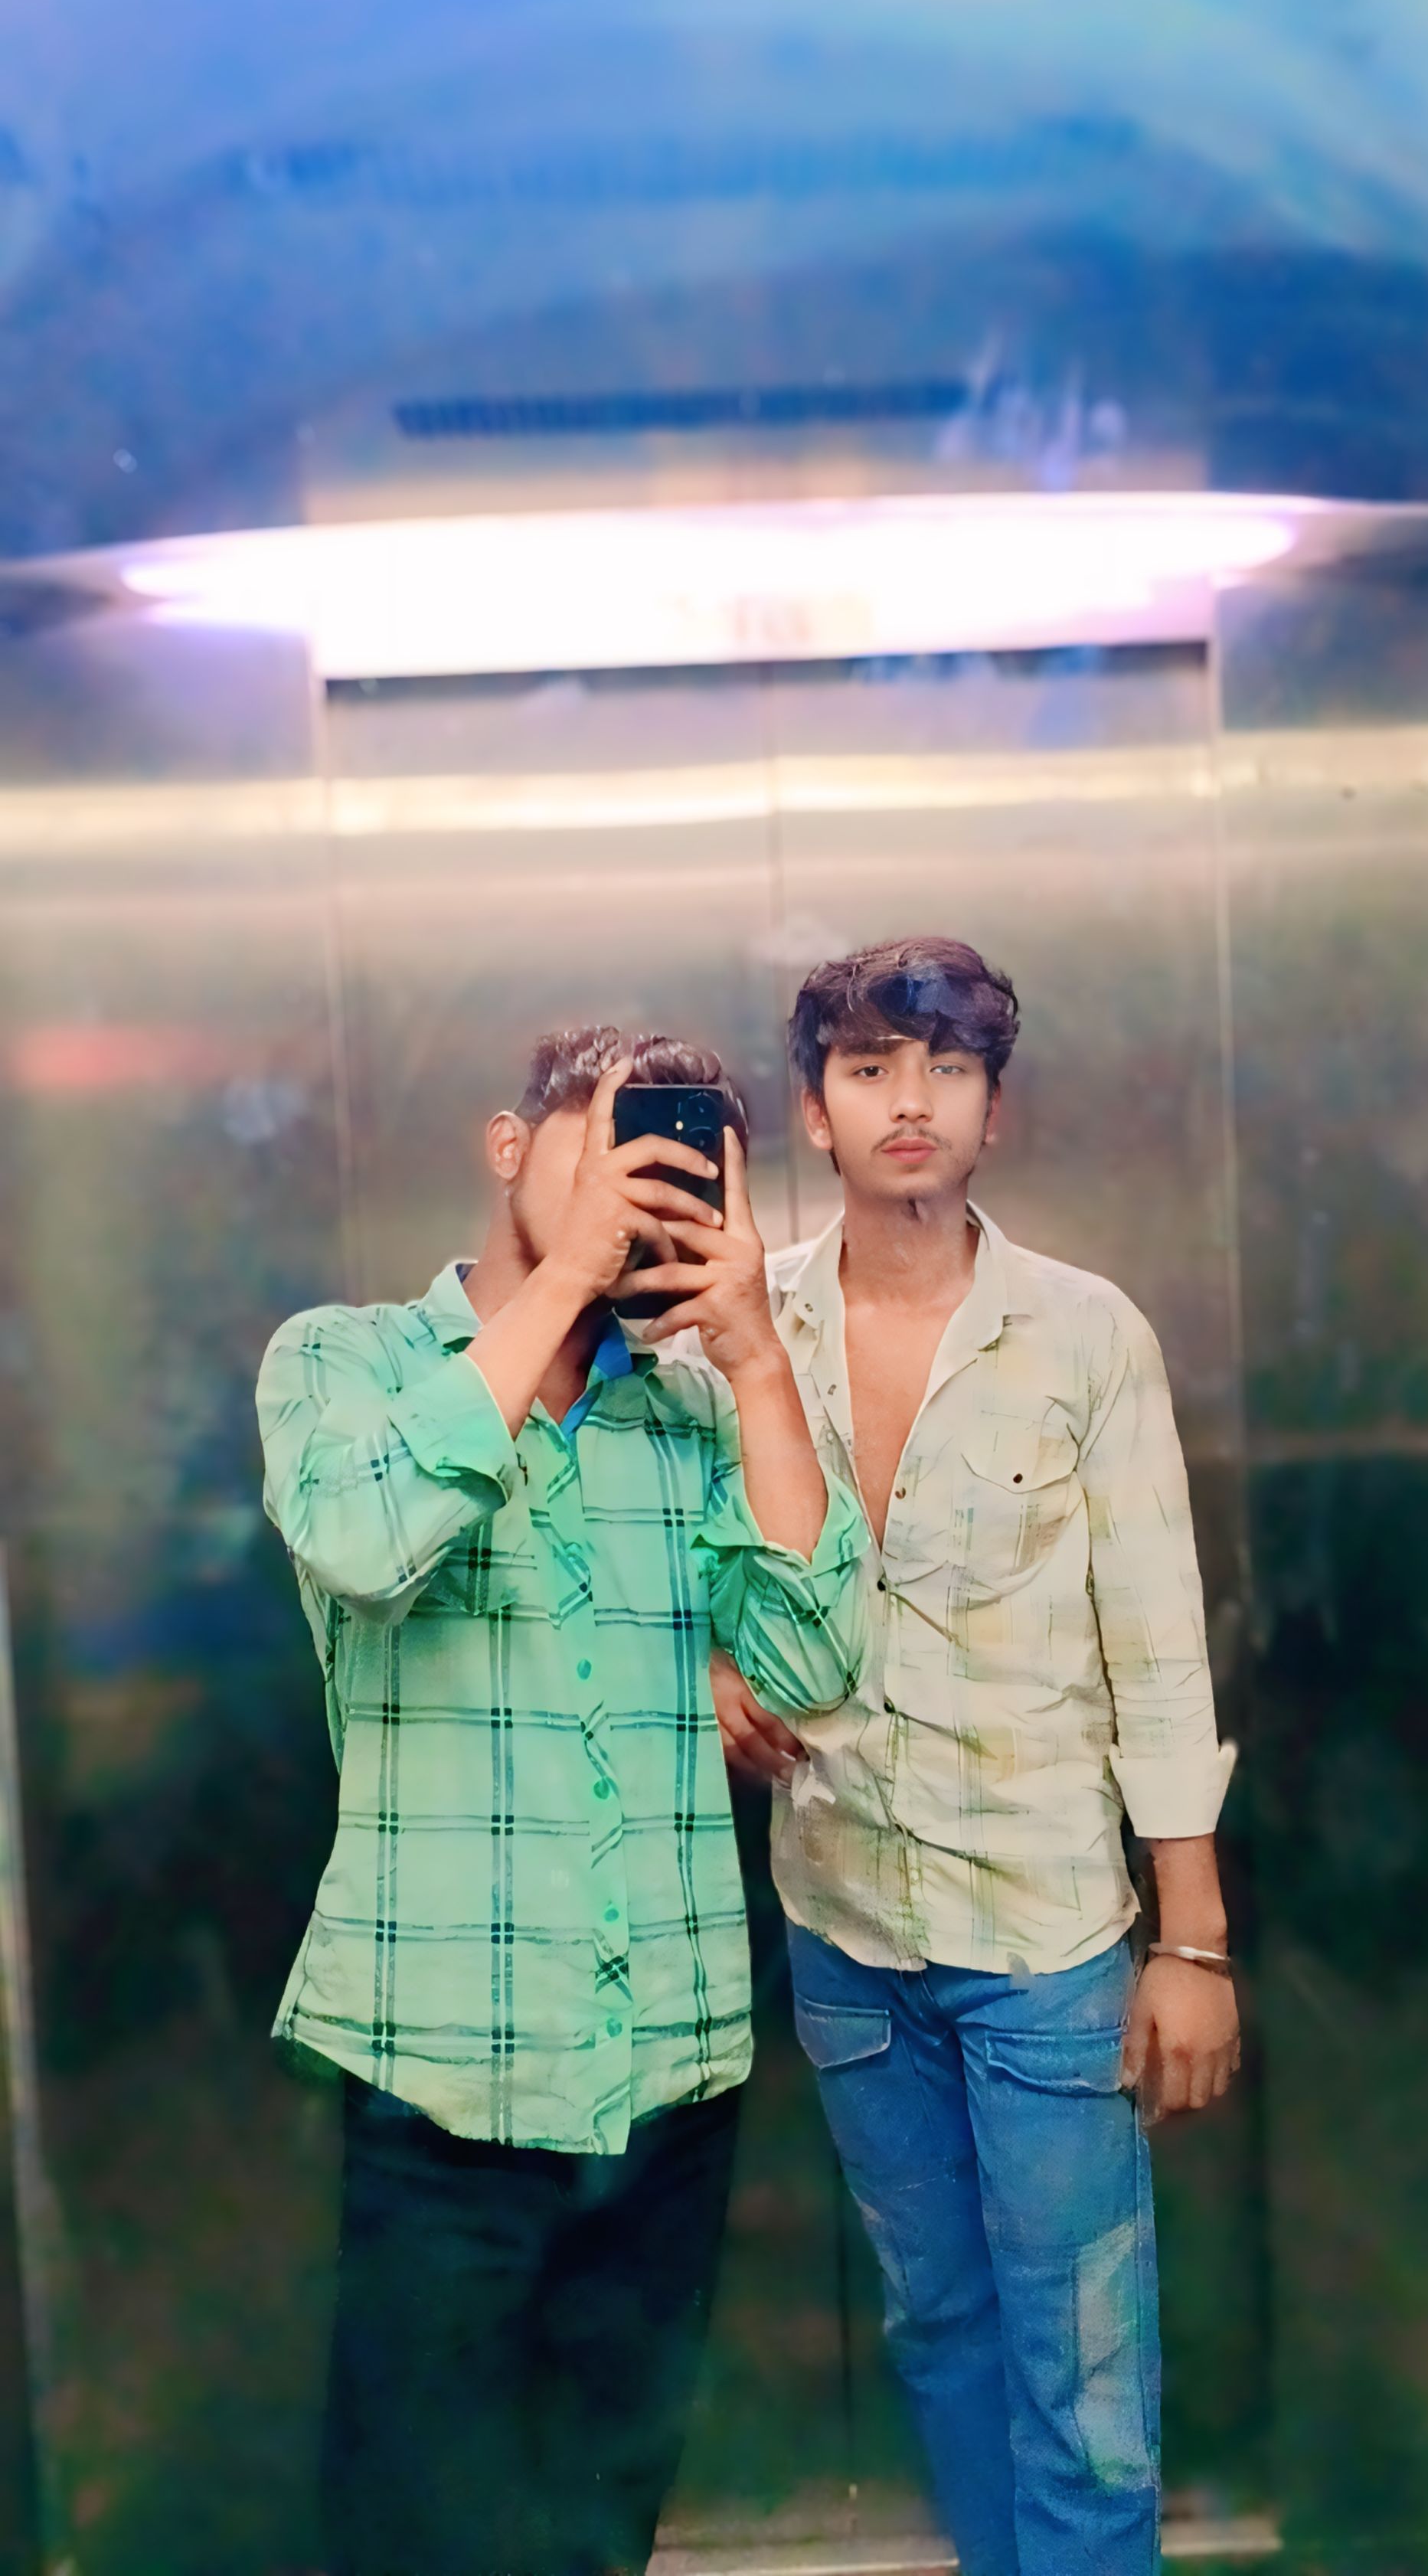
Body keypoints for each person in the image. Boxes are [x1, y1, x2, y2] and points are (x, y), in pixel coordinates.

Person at [256, 1026, 868, 2576]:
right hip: (444, 2074)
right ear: (508, 1146)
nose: (634, 1197)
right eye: (609, 1151)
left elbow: (810, 1658)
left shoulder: (695, 1413)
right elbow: (362, 1539)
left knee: (601, 2526)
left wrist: (755, 1357)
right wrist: (568, 1280)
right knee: (418, 2534)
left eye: (675, 1172)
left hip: (668, 2074)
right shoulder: (344, 1362)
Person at [713, 937, 1240, 2576]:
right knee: (936, 2329)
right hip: (845, 1928)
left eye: (946, 1068)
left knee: (1081, 2370)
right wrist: (708, 1666)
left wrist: (1192, 1941)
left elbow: (1157, 1647)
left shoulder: (1083, 1336)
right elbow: (654, 1557)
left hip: (1044, 1943)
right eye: (871, 1067)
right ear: (816, 1109)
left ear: (991, 1111)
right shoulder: (737, 1326)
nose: (911, 1100)